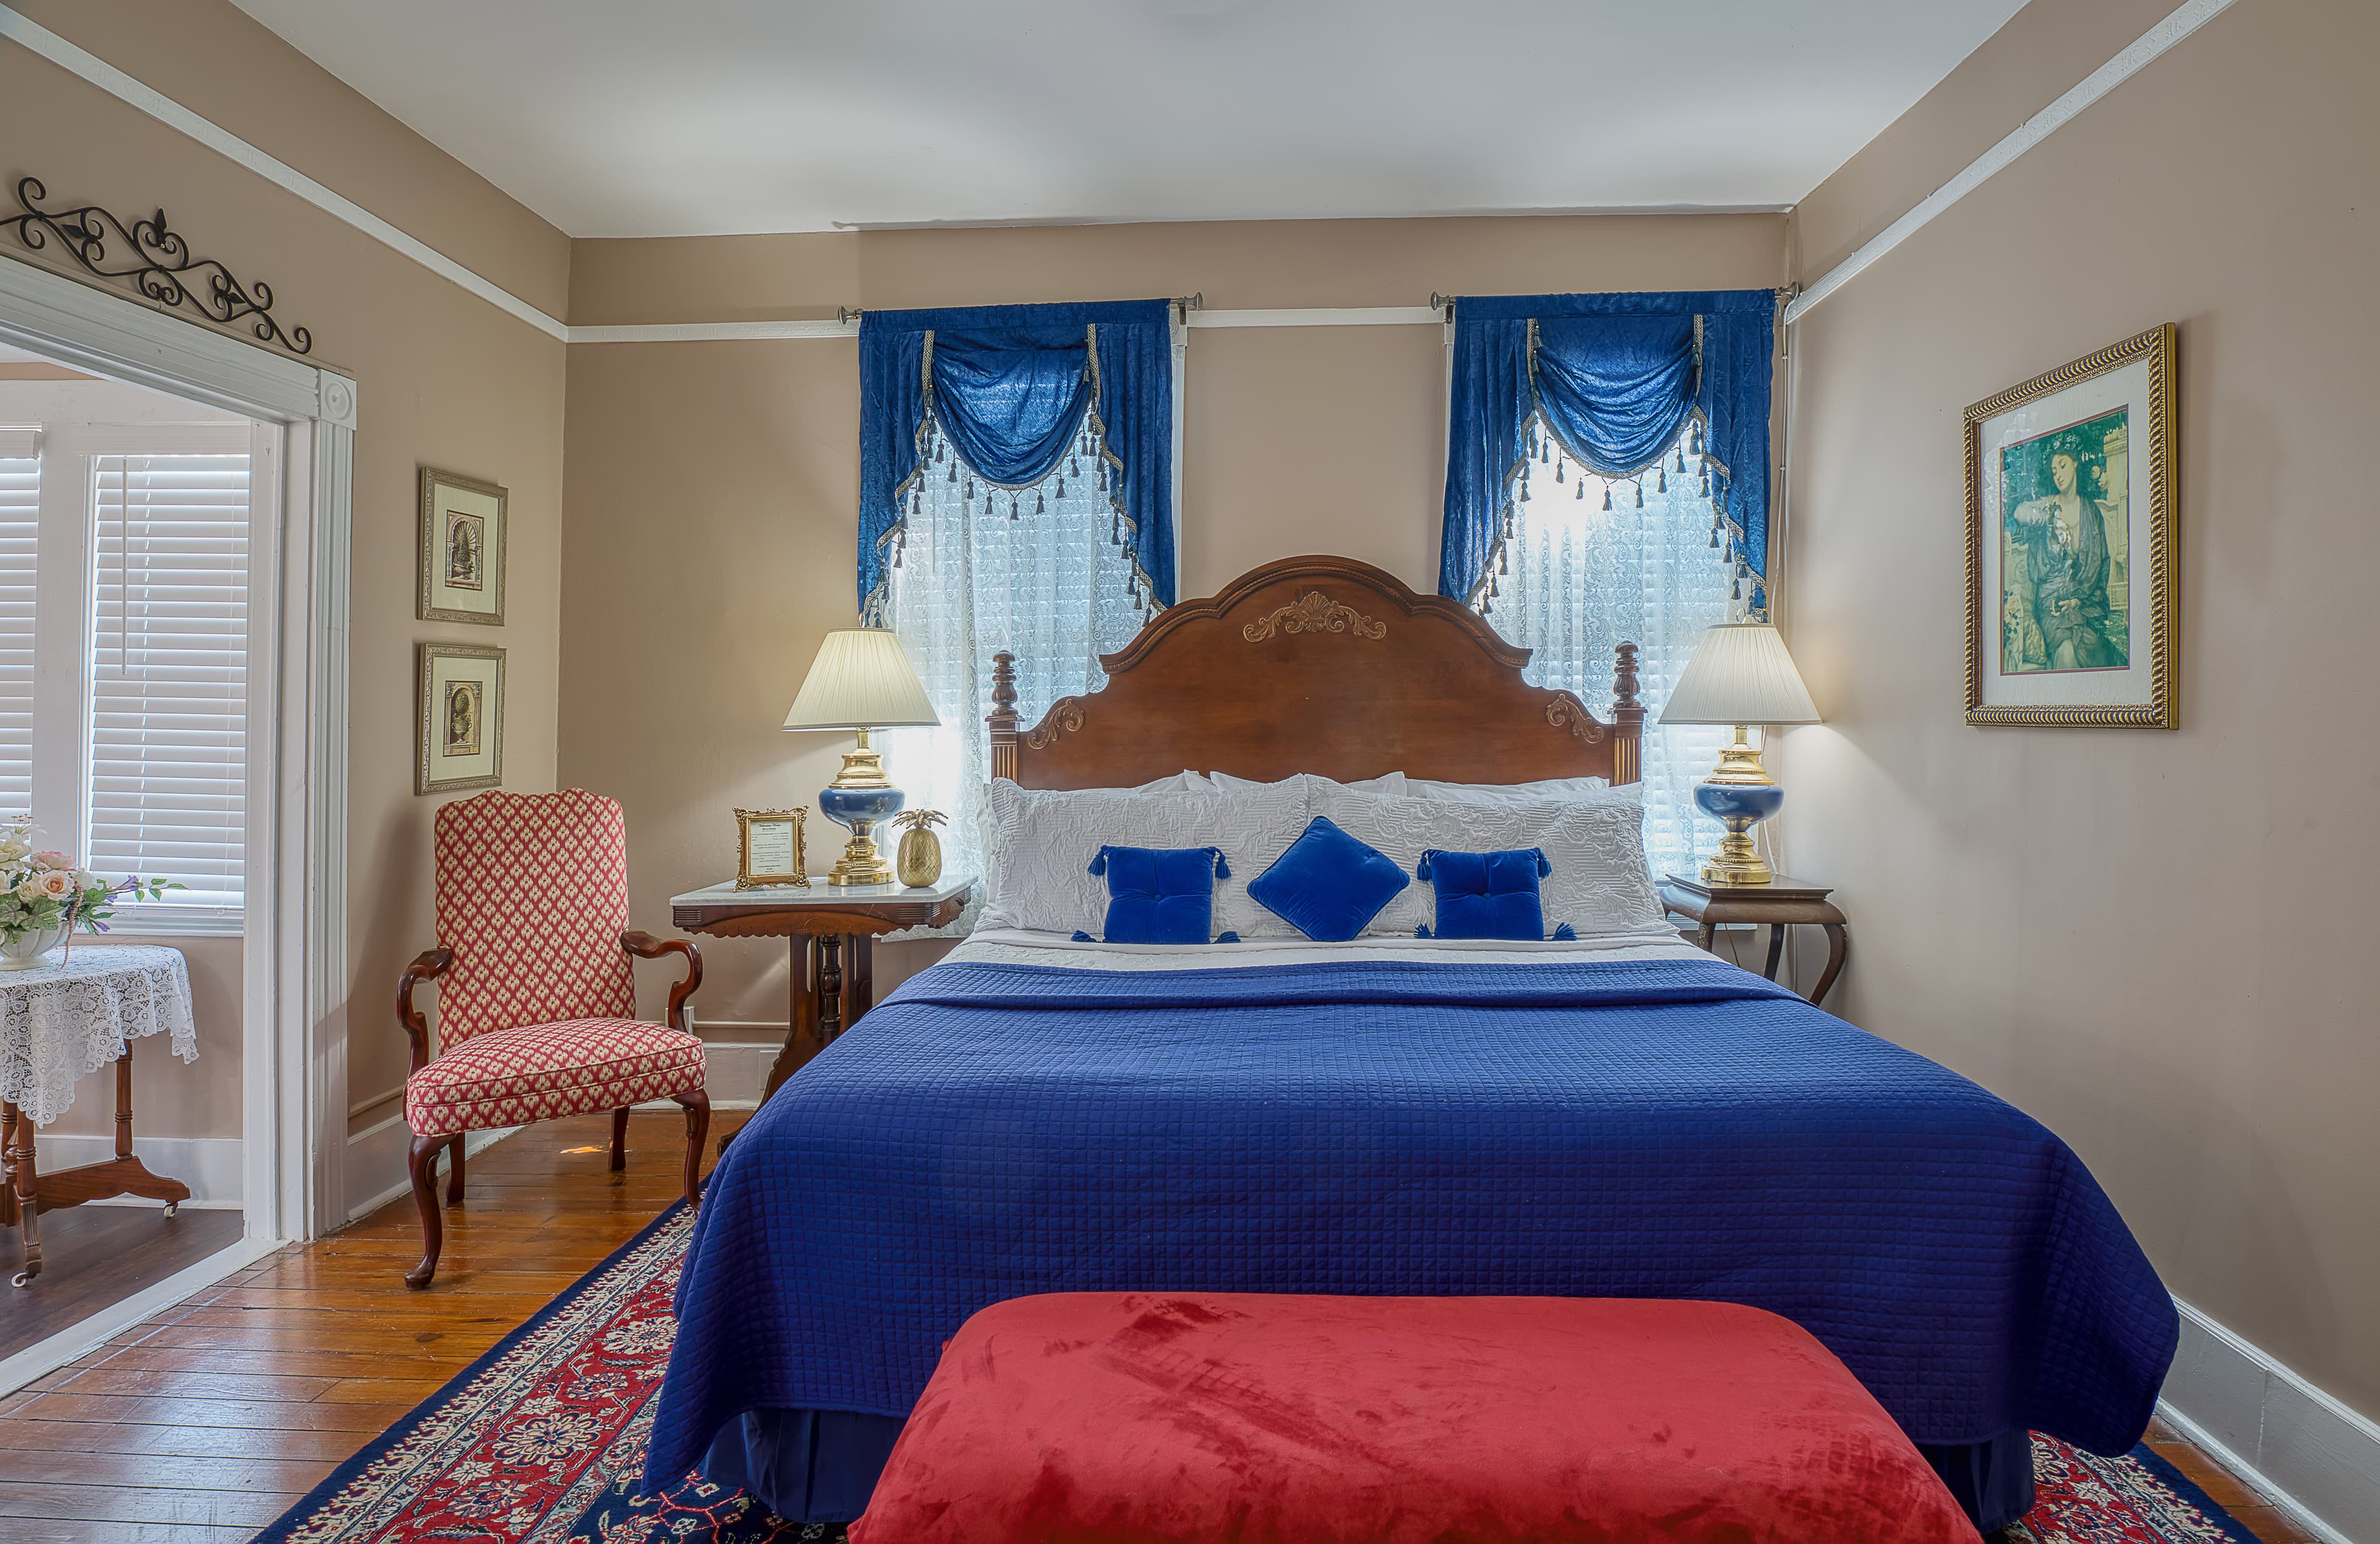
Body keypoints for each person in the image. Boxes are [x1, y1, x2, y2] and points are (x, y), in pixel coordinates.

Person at [2006, 433, 2122, 670]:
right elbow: (2018, 513)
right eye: (2054, 469)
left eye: (2063, 465)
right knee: (2067, 649)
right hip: (2052, 601)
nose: (2058, 474)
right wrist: (2041, 516)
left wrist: (2077, 601)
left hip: (2086, 601)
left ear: (2076, 464)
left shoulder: (2091, 511)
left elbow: (2101, 565)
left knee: (2103, 648)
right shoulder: (2048, 507)